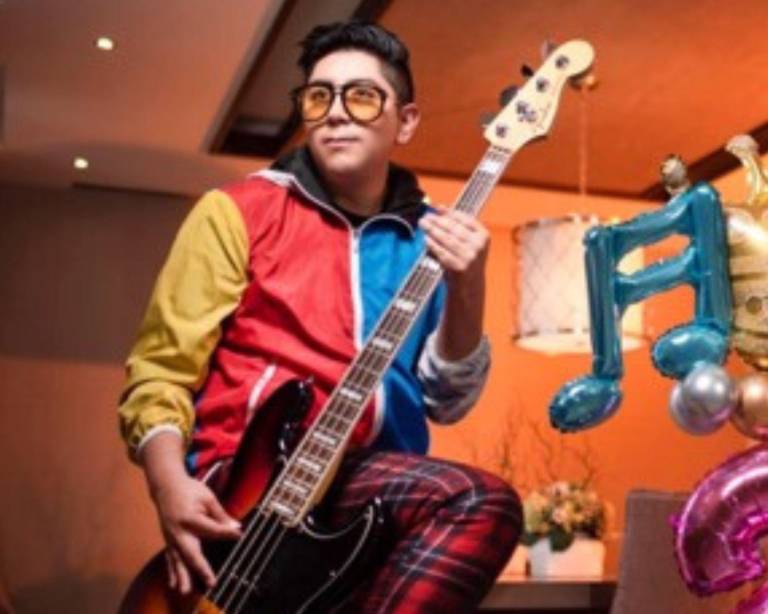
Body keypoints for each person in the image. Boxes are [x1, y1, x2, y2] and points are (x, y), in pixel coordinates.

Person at [118, 20, 521, 612]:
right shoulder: (235, 211)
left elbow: (447, 398)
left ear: (406, 121)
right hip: (248, 485)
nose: (335, 113)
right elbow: (161, 371)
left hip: (372, 488)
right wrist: (167, 485)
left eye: (362, 96)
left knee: (479, 503)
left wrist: (468, 283)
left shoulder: (433, 236)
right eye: (318, 96)